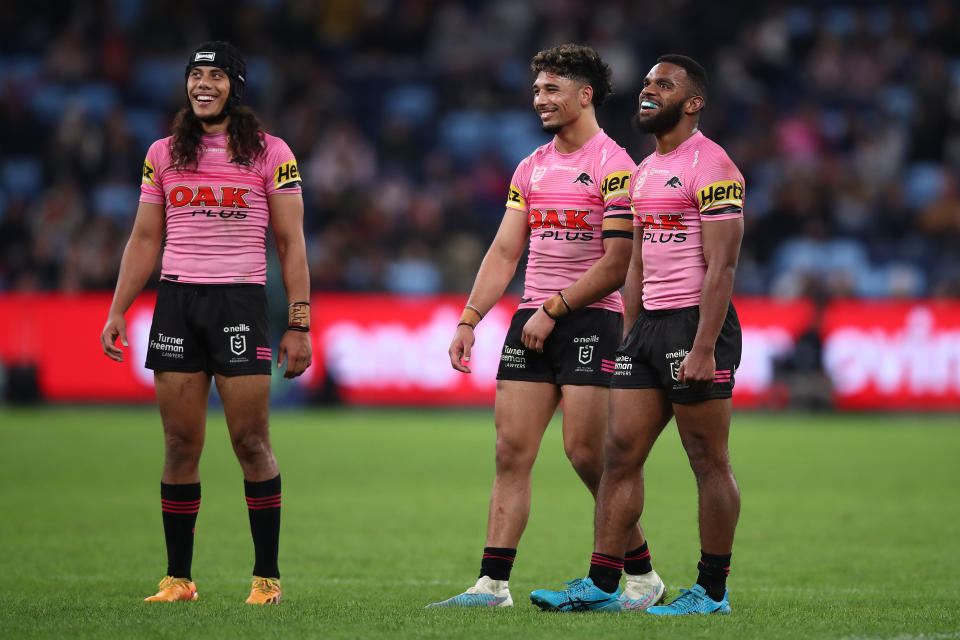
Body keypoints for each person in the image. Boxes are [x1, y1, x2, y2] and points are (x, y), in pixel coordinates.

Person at [428, 44, 664, 609]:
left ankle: (641, 574)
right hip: (532, 317)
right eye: (537, 90)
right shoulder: (530, 167)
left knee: (586, 455)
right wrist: (470, 318)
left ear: (585, 95)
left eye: (551, 89)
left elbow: (615, 264)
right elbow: (506, 250)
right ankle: (491, 585)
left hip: (589, 320)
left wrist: (554, 308)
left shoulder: (616, 166)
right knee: (511, 451)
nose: (540, 100)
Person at [530, 54, 744, 614]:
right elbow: (637, 264)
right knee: (619, 454)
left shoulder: (714, 166)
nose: (648, 91)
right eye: (647, 82)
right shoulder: (645, 170)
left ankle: (712, 591)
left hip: (696, 325)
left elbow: (722, 268)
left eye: (664, 85)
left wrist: (702, 347)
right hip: (645, 328)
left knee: (707, 459)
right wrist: (630, 331)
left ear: (692, 103)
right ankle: (603, 585)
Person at [99, 41, 311, 605]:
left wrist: (299, 323)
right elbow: (146, 237)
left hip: (239, 304)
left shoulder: (272, 152)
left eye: (216, 75)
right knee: (178, 443)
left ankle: (266, 580)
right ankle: (178, 580)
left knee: (250, 441)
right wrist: (119, 309)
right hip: (176, 304)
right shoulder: (163, 153)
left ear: (234, 87)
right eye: (196, 74)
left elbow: (290, 244)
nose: (203, 84)